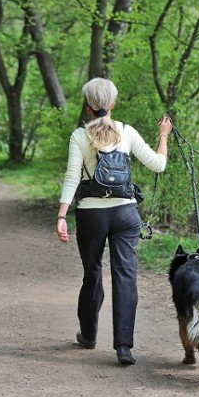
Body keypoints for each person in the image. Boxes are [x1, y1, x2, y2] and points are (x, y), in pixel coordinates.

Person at [56, 77, 173, 365]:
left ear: (87, 106)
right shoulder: (127, 132)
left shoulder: (79, 136)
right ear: (112, 104)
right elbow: (158, 164)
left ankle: (89, 334)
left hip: (91, 215)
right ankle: (123, 346)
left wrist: (61, 215)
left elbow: (72, 176)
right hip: (125, 214)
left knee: (92, 273)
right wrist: (164, 135)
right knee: (125, 275)